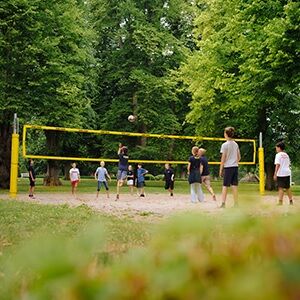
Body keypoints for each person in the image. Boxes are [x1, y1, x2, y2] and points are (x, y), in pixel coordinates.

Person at [219, 127, 241, 208]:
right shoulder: (235, 144)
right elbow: (239, 157)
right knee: (234, 186)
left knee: (225, 186)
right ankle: (236, 204)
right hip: (235, 167)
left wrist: (221, 169)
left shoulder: (224, 145)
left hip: (228, 167)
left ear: (226, 134)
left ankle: (223, 203)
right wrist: (234, 161)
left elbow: (223, 158)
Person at [273, 141, 293, 205]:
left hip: (281, 173)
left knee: (280, 187)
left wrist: (275, 173)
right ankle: (291, 201)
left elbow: (277, 165)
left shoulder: (278, 155)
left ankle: (280, 202)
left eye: (276, 148)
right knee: (287, 187)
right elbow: (288, 164)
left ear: (279, 148)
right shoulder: (286, 155)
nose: (276, 149)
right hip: (287, 172)